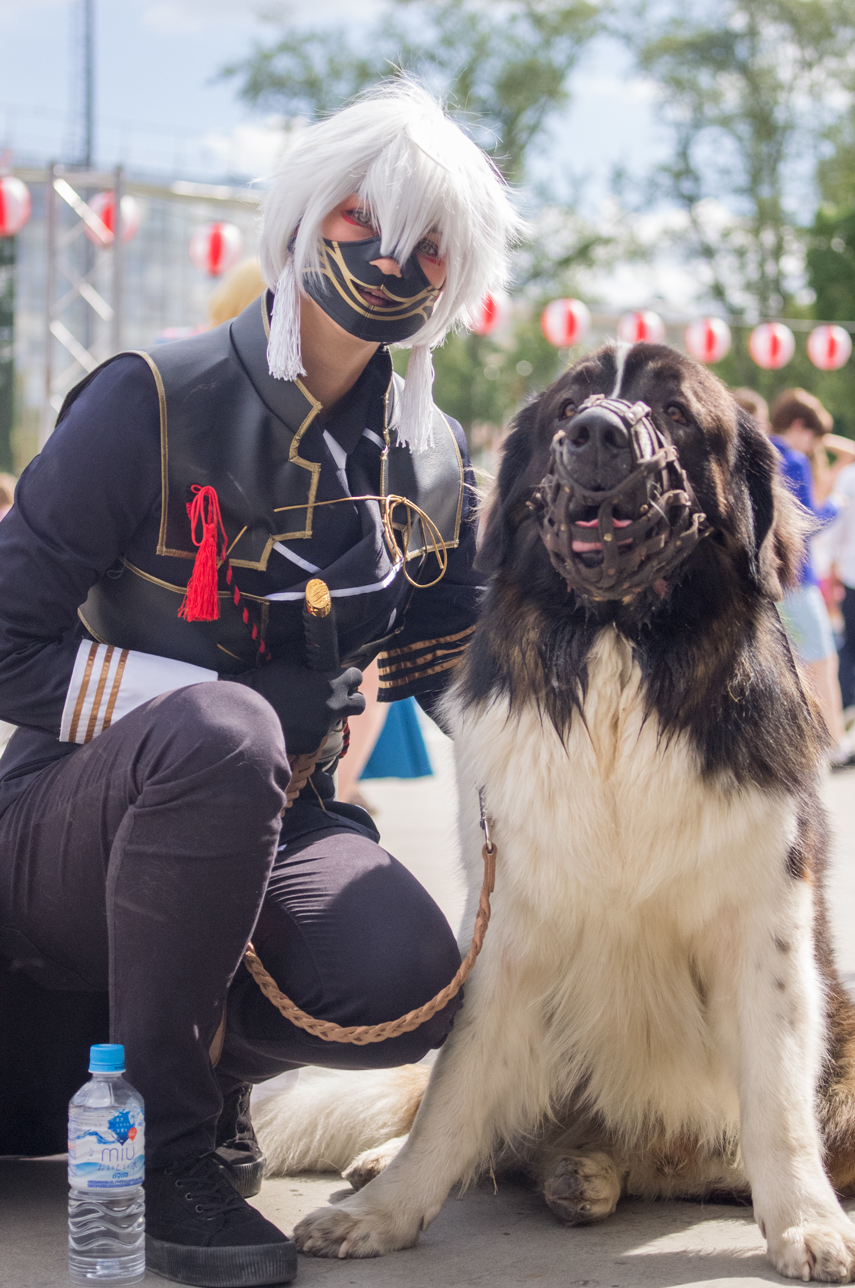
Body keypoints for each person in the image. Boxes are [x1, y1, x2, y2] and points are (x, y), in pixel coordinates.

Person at [0, 80, 519, 1288]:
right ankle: (164, 1155)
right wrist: (204, 700)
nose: (393, 254)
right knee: (226, 732)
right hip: (61, 829)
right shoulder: (148, 395)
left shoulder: (437, 463)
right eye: (360, 214)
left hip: (280, 813)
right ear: (297, 218)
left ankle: (212, 1081)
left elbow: (474, 685)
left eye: (431, 237)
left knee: (404, 975)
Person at [768, 388, 855, 769]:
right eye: (814, 435)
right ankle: (833, 745)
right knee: (822, 664)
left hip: (767, 583)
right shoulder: (796, 460)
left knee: (786, 669)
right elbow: (810, 522)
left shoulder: (760, 450)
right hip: (798, 579)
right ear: (800, 427)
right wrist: (837, 503)